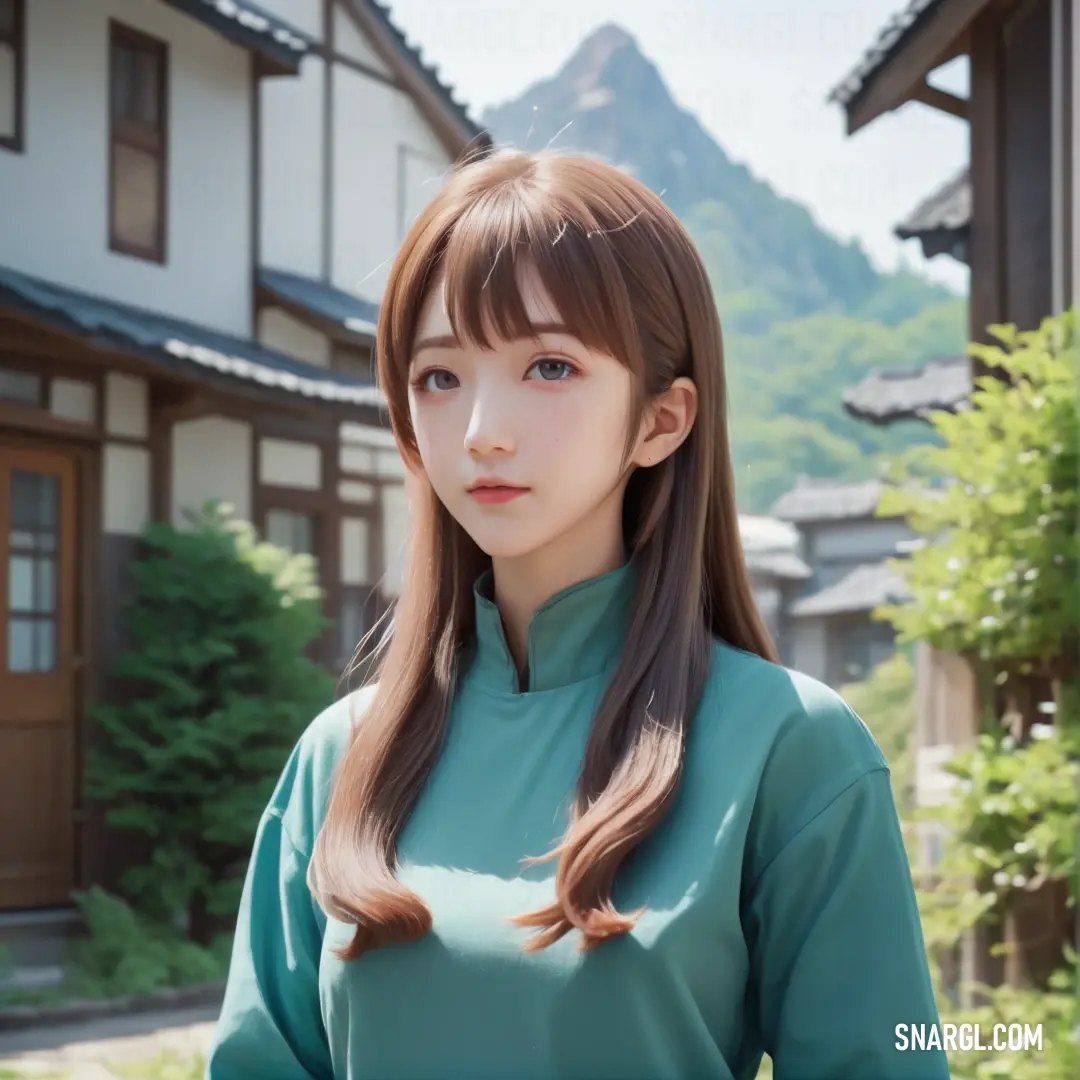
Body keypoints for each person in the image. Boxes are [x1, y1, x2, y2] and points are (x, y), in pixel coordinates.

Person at [207, 149, 949, 1080]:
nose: (482, 428)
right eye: (440, 376)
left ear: (661, 419)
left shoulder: (791, 749)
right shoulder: (341, 757)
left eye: (548, 366)